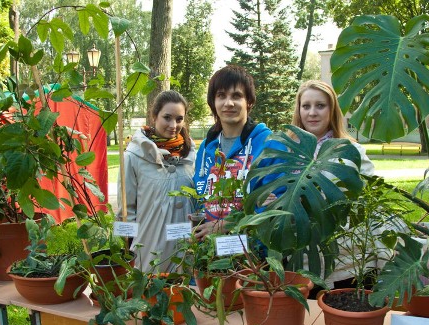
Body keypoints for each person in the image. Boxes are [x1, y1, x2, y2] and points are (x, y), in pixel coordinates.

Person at [292, 80, 386, 290]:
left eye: (320, 105)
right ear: (299, 110)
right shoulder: (287, 152)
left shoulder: (352, 152)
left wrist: (384, 258)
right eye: (306, 106)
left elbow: (374, 205)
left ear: (332, 110)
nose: (312, 112)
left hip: (349, 265)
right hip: (303, 264)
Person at [193, 65, 274, 240]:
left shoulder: (268, 144)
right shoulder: (207, 148)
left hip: (253, 255)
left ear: (249, 102)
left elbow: (276, 202)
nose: (228, 103)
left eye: (236, 96)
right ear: (213, 103)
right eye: (221, 96)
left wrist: (228, 224)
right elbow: (201, 193)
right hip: (210, 252)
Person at [117, 90, 195, 272]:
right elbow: (125, 211)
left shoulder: (192, 154)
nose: (173, 125)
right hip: (150, 251)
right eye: (167, 117)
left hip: (186, 252)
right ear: (154, 116)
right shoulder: (134, 156)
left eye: (179, 119)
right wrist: (126, 252)